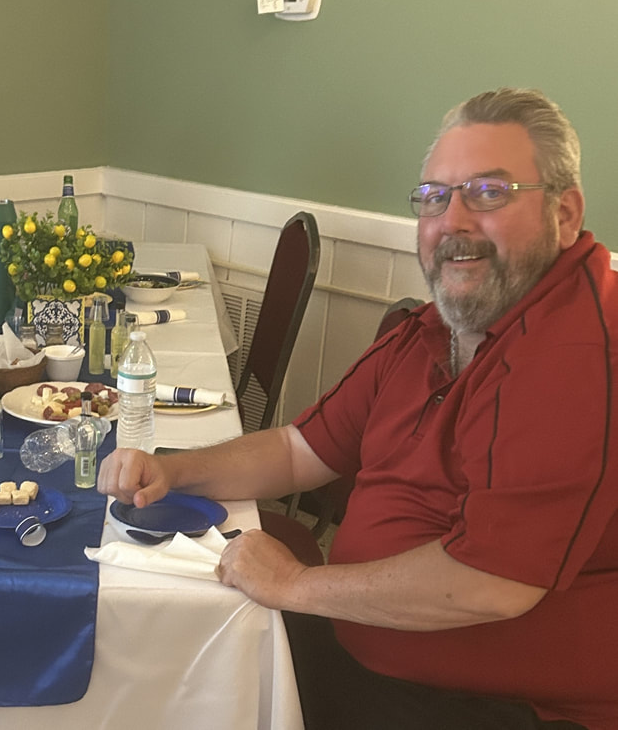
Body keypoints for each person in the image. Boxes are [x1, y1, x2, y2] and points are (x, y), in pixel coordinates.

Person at [99, 88, 617, 730]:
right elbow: (299, 451)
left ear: (564, 215)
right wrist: (173, 470)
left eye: (488, 192)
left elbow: (491, 584)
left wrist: (293, 585)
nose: (452, 220)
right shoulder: (440, 326)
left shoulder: (575, 350)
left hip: (494, 708)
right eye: (434, 197)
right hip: (369, 647)